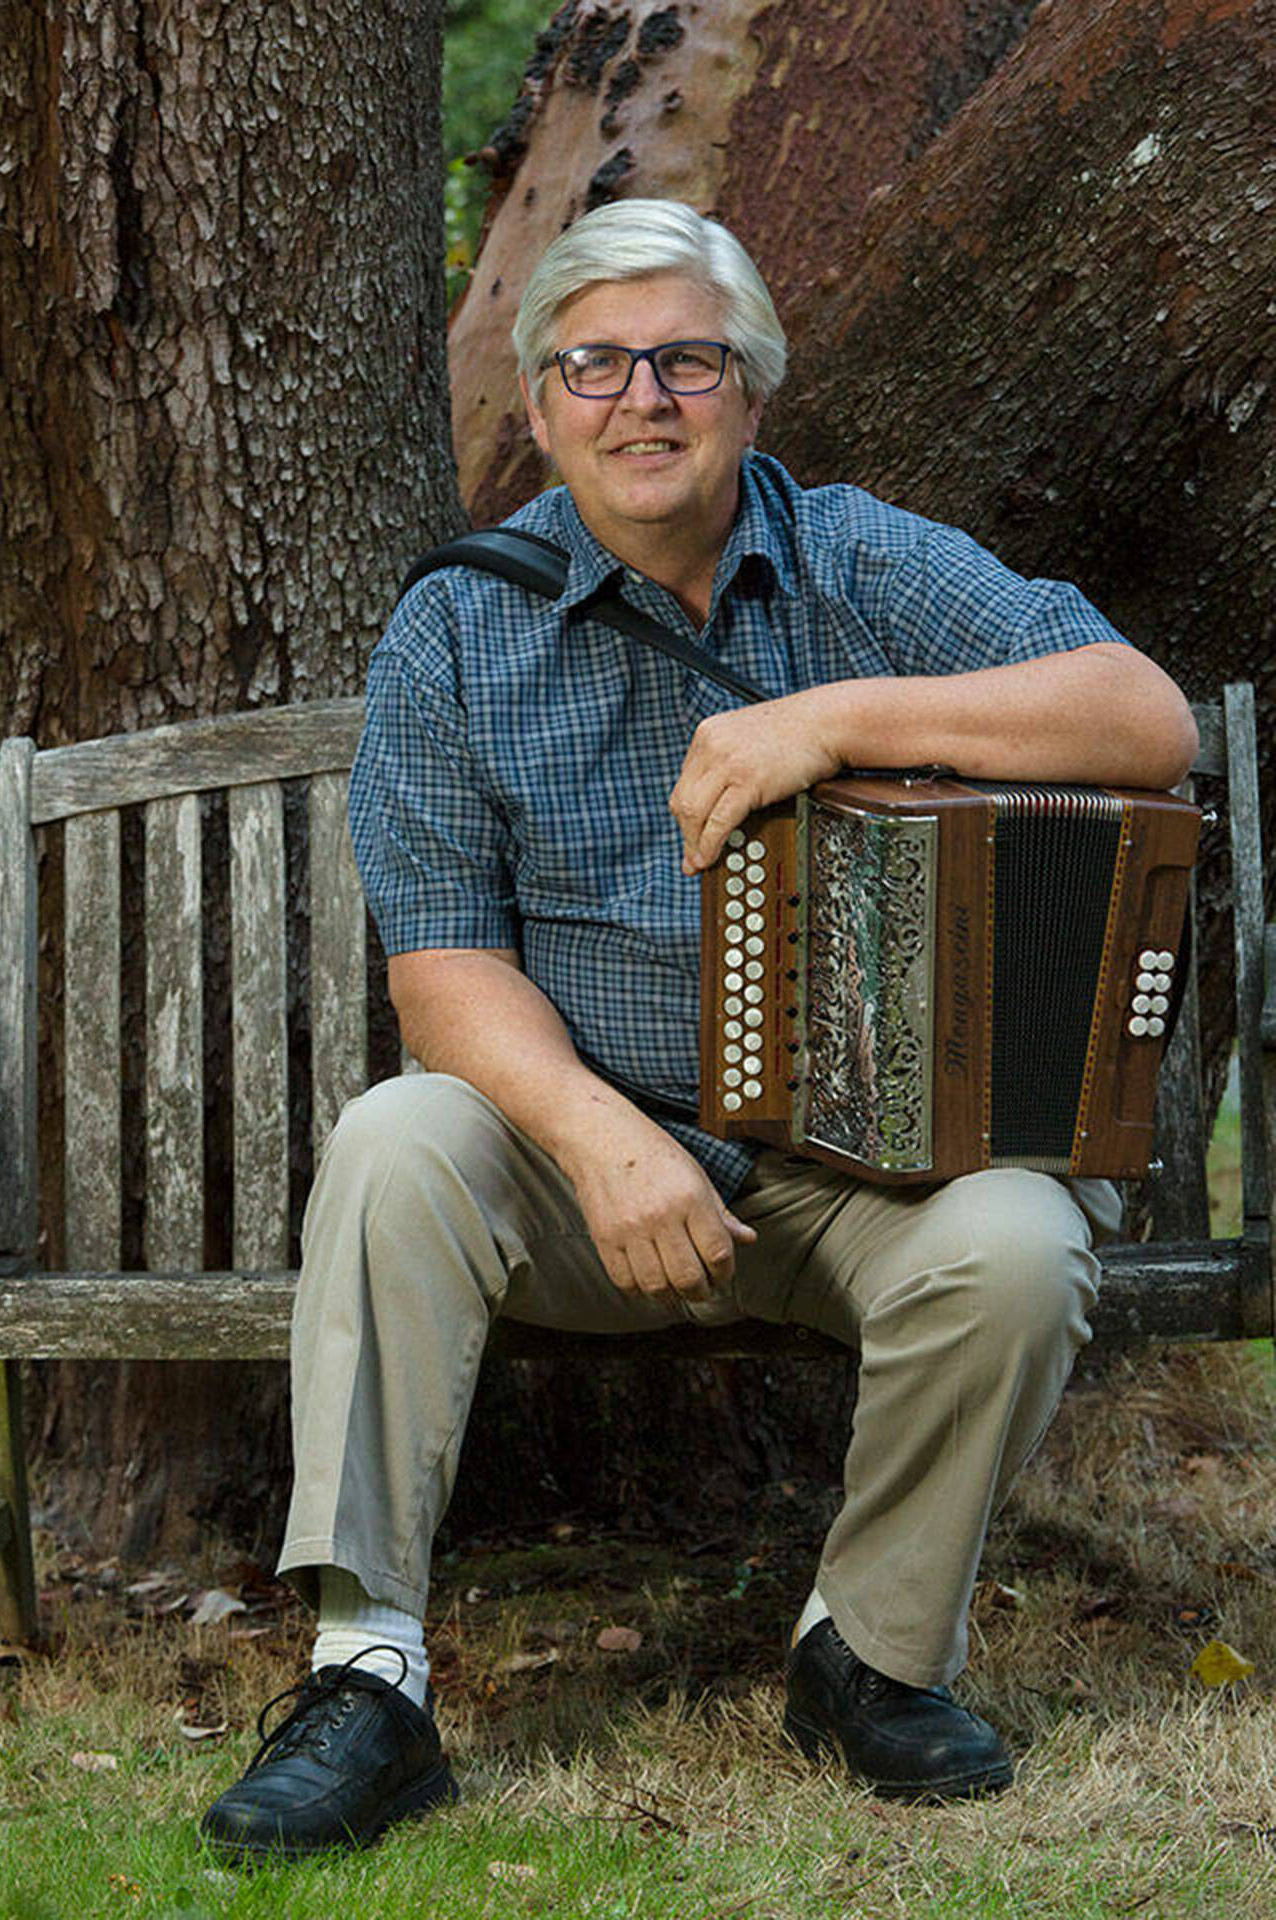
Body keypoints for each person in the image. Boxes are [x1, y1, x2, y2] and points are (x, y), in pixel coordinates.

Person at [201, 199, 1196, 1860]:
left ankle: (869, 1660)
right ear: (538, 408)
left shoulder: (864, 559)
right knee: (395, 1138)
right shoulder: (458, 624)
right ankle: (366, 1674)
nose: (639, 397)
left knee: (1022, 1237)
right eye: (593, 363)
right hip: (587, 1169)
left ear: (750, 392)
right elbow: (444, 972)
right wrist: (598, 1139)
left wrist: (834, 717)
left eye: (686, 360)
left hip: (865, 1176)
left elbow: (1142, 714)